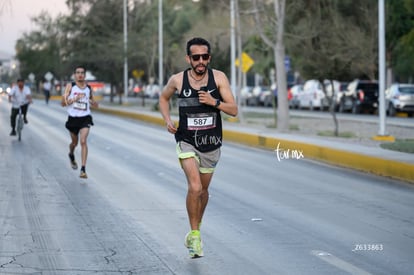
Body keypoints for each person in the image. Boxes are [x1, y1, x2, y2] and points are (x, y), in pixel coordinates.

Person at [159, 37, 238, 258]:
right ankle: (195, 235)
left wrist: (214, 102)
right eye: (196, 57)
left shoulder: (219, 78)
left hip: (211, 144)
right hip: (186, 140)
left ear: (209, 58)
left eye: (205, 57)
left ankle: (196, 227)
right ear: (189, 59)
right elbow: (163, 99)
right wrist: (167, 120)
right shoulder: (178, 80)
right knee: (194, 188)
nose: (201, 61)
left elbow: (233, 110)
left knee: (203, 192)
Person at [61, 65, 98, 179]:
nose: (80, 74)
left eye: (82, 72)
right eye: (78, 72)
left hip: (85, 118)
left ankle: (83, 169)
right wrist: (74, 99)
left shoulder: (89, 88)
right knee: (74, 143)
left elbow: (92, 100)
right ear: (74, 75)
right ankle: (71, 154)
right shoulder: (70, 86)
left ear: (85, 75)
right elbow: (63, 103)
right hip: (73, 119)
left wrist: (94, 103)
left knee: (83, 141)